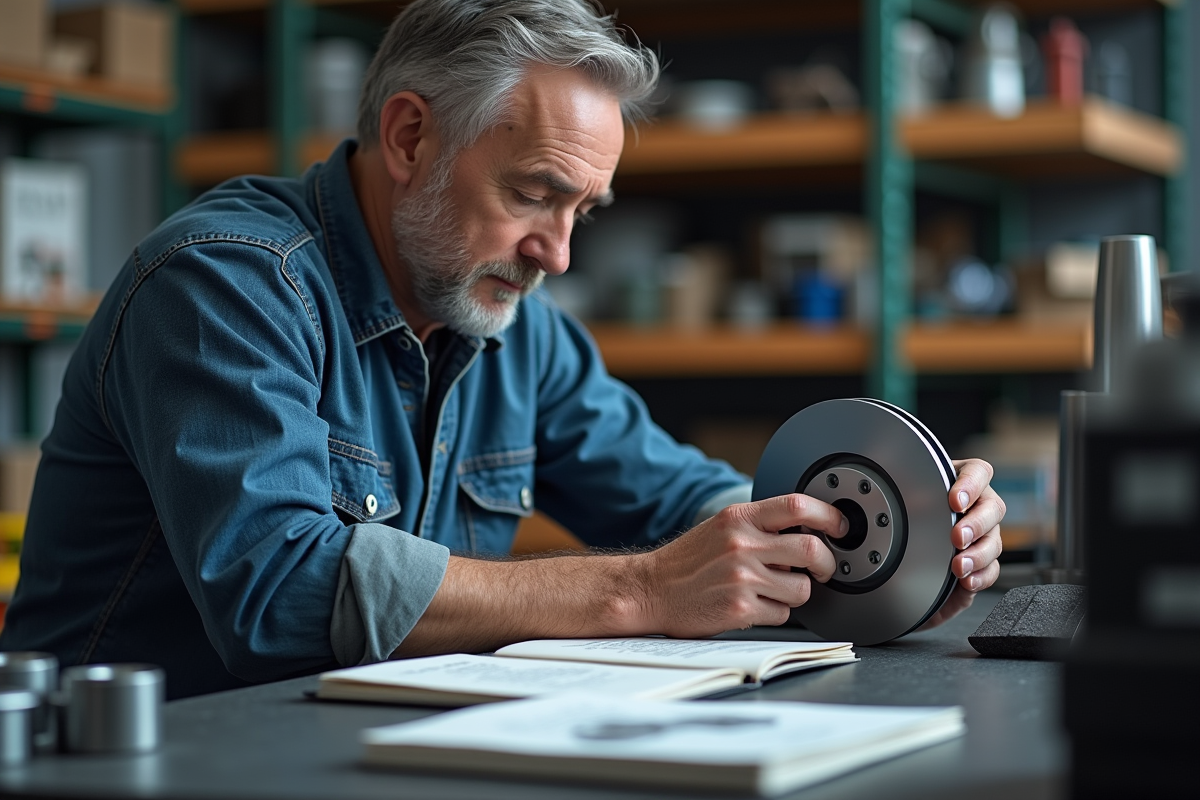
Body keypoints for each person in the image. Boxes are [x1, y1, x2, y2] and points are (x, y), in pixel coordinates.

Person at [0, 0, 1005, 699]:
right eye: (532, 193)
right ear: (408, 138)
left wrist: (887, 544)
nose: (556, 253)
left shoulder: (518, 331)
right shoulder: (224, 283)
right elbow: (280, 591)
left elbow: (688, 507)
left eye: (583, 211)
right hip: (150, 759)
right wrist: (643, 587)